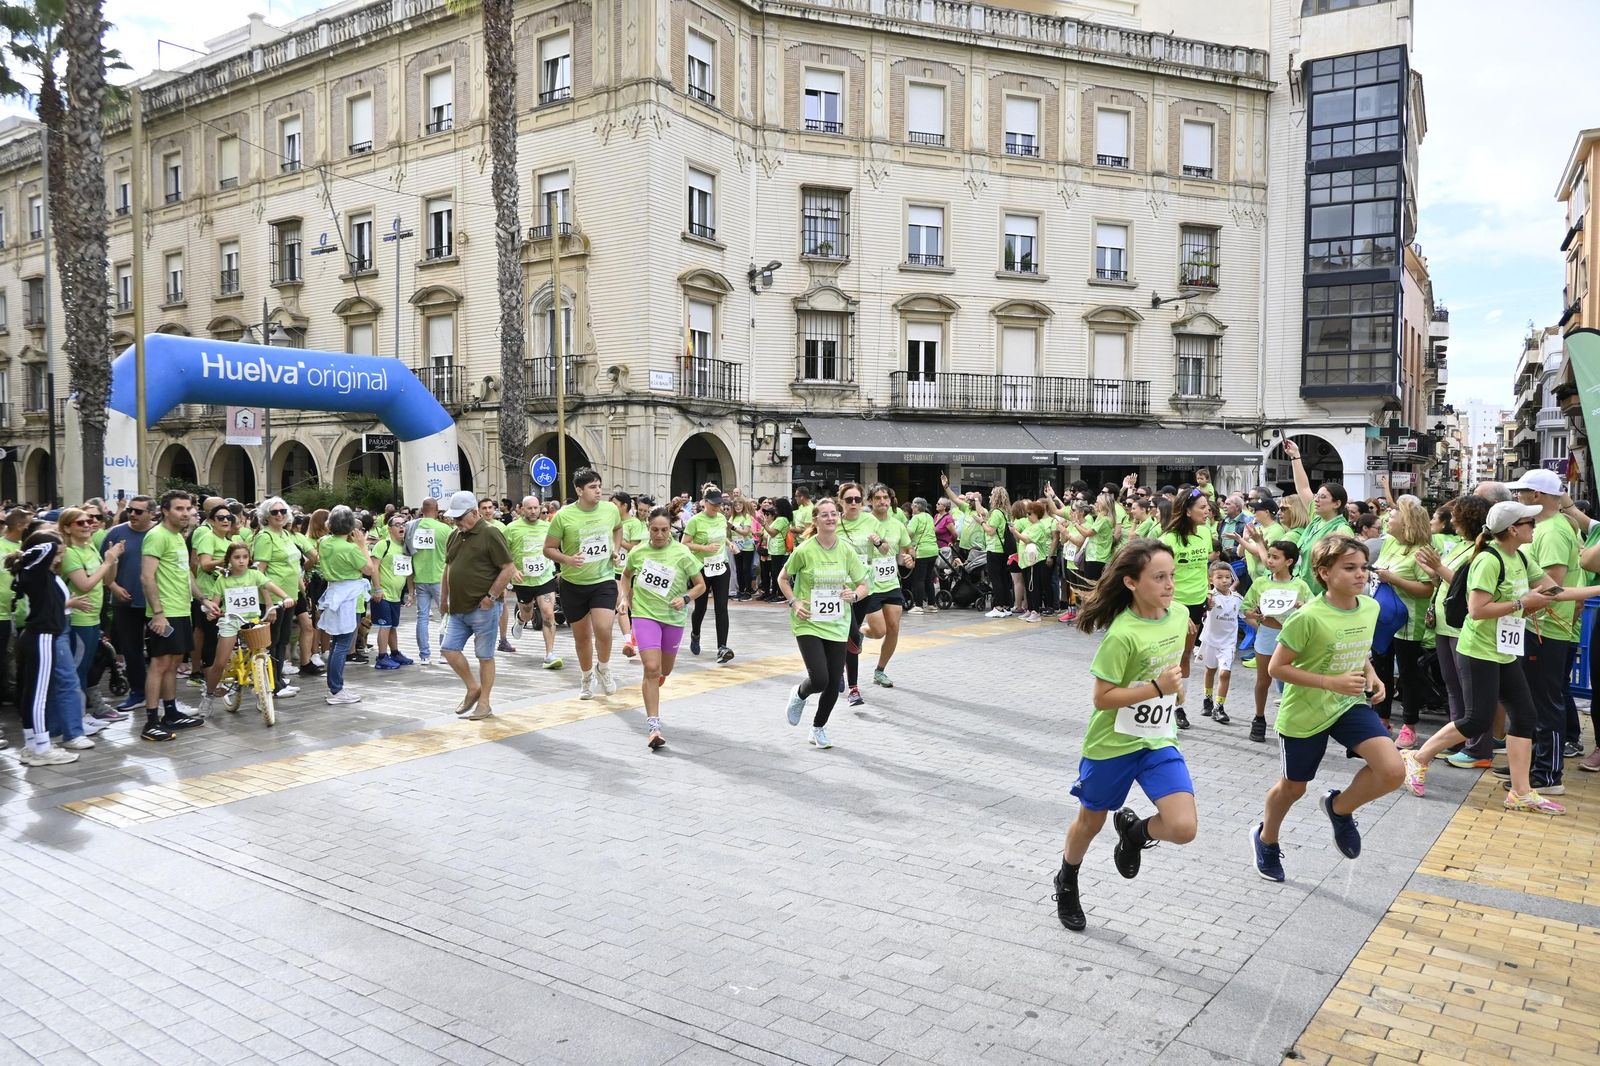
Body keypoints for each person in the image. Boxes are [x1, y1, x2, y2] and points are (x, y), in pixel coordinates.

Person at [1053, 540, 1198, 933]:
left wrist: (1177, 684)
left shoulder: (1179, 613)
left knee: (1184, 827)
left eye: (1172, 576)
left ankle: (1134, 833)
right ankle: (1067, 880)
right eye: (1159, 577)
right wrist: (1157, 687)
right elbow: (1102, 699)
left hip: (1157, 739)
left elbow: (1177, 657)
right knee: (1090, 823)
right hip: (1112, 744)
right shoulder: (1121, 635)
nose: (1170, 585)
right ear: (1132, 583)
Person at [1253, 535, 1404, 882]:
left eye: (1363, 567)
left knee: (1393, 771)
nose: (1360, 574)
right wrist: (1329, 682)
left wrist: (1372, 674)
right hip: (1305, 712)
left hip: (1348, 704)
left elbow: (1358, 648)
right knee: (1293, 788)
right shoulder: (1307, 617)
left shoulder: (1370, 606)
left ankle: (1339, 808)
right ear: (1323, 572)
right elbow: (1277, 668)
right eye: (1349, 568)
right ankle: (1266, 838)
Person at [778, 496, 868, 749]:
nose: (830, 518)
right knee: (819, 679)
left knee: (833, 682)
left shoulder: (846, 550)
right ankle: (799, 694)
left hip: (837, 623)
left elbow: (864, 584)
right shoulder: (805, 549)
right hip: (808, 621)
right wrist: (794, 602)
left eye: (833, 514)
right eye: (825, 514)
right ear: (815, 520)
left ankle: (818, 728)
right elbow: (783, 578)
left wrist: (855, 594)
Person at [1414, 495, 1495, 768]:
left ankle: (1478, 748)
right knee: (1453, 687)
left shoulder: (1483, 549)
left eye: (1457, 517)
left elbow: (1466, 586)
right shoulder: (1460, 545)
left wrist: (1439, 568)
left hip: (1463, 628)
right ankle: (1457, 740)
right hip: (1444, 624)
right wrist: (1434, 571)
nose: (1453, 522)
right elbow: (1448, 580)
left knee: (1470, 691)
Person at [621, 507, 706, 749]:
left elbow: (700, 585)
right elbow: (626, 576)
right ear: (648, 527)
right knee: (650, 667)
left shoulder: (682, 553)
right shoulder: (638, 552)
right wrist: (625, 598)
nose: (659, 535)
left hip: (673, 617)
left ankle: (654, 682)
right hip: (644, 614)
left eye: (664, 530)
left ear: (671, 529)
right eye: (654, 530)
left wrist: (686, 598)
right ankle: (654, 727)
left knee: (664, 671)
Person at [8, 534, 96, 765]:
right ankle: (42, 748)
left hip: (39, 636)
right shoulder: (34, 569)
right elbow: (44, 547)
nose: (61, 554)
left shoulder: (40, 572)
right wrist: (47, 539)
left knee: (31, 693)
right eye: (58, 551)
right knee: (39, 696)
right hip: (42, 637)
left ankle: (32, 745)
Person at [545, 469, 623, 700]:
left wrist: (616, 550)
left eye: (599, 485)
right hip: (573, 583)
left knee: (603, 628)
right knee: (581, 637)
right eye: (592, 487)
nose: (598, 490)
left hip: (603, 579)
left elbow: (618, 528)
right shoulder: (563, 516)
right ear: (579, 490)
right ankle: (587, 676)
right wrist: (568, 559)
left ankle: (604, 668)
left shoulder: (610, 510)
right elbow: (548, 548)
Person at [436, 490, 516, 718]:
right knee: (449, 650)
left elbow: (508, 569)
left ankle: (485, 702)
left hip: (483, 609)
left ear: (474, 513)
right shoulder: (454, 535)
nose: (456, 522)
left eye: (460, 517)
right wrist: (443, 599)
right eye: (454, 518)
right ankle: (473, 688)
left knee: (485, 656)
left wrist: (490, 597)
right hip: (457, 608)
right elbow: (448, 568)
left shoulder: (490, 533)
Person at [140, 490, 207, 742]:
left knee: (174, 663)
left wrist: (202, 600)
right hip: (164, 612)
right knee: (159, 664)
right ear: (165, 510)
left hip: (180, 609)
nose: (185, 513)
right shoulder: (157, 536)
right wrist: (158, 613)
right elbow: (147, 577)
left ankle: (170, 713)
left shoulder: (178, 536)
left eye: (188, 508)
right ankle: (150, 721)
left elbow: (185, 574)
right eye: (179, 509)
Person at [1369, 499, 1436, 745]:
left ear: (1407, 521)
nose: (1388, 519)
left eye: (1393, 515)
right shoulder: (1389, 545)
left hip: (1408, 622)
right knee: (1381, 668)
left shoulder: (1422, 550)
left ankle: (1410, 725)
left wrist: (1394, 579)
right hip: (1384, 618)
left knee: (1408, 674)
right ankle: (1382, 718)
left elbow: (1427, 589)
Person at [201, 544, 294, 714]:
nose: (241, 561)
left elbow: (270, 585)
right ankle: (208, 696)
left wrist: (286, 597)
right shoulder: (223, 579)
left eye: (245, 557)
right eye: (237, 557)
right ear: (229, 559)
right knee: (220, 662)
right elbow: (215, 601)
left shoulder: (254, 574)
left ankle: (263, 693)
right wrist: (212, 611)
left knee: (261, 654)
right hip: (231, 620)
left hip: (252, 619)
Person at [1239, 537, 1309, 743]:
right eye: (1269, 556)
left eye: (1275, 557)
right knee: (1263, 679)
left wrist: (1301, 606)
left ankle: (1287, 722)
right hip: (1267, 634)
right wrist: (1256, 616)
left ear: (1289, 561)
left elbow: (1313, 610)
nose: (1269, 560)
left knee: (1290, 680)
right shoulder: (1260, 582)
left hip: (1291, 637)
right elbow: (1245, 610)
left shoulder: (1301, 585)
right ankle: (1259, 718)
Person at [1159, 487, 1215, 730]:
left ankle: (1179, 707)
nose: (1208, 511)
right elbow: (1161, 578)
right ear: (1187, 510)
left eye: (1208, 507)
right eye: (1202, 507)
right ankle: (1160, 702)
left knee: (1185, 654)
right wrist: (1176, 608)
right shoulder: (1168, 539)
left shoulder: (1204, 533)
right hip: (1172, 604)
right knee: (1167, 655)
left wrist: (1208, 593)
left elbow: (1203, 567)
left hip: (1197, 603)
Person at [315, 506, 378, 705]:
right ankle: (336, 689)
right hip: (350, 595)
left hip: (334, 592)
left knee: (337, 643)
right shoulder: (350, 548)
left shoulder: (324, 542)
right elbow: (368, 569)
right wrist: (362, 546)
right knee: (343, 644)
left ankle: (336, 686)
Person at [1281, 439, 1354, 594]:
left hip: (1322, 593)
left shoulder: (1342, 529)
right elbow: (1303, 487)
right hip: (1303, 588)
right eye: (1317, 496)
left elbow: (1346, 565)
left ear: (1336, 504)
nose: (1316, 500)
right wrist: (1295, 456)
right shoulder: (1316, 518)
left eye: (1322, 497)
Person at [252, 497, 306, 702]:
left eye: (283, 511)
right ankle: (271, 684)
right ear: (266, 516)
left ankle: (278, 678)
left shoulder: (285, 534)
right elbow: (259, 572)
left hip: (290, 596)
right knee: (272, 641)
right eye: (274, 512)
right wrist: (268, 603)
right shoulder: (265, 537)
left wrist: (301, 589)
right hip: (274, 597)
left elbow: (294, 564)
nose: (280, 515)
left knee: (282, 640)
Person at [101, 498, 153, 713]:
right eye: (130, 510)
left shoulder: (158, 534)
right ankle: (138, 693)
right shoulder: (115, 533)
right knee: (132, 650)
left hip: (155, 602)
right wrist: (113, 587)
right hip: (125, 602)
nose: (132, 514)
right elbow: (102, 565)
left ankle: (162, 695)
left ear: (152, 513)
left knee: (161, 653)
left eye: (138, 511)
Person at [504, 496, 563, 669]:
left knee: (548, 613)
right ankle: (521, 620)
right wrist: (513, 570)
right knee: (528, 614)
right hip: (523, 581)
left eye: (536, 508)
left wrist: (559, 569)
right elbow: (502, 553)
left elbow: (556, 548)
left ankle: (550, 654)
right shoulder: (511, 529)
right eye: (529, 508)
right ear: (521, 509)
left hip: (544, 577)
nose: (533, 511)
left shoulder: (548, 527)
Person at [683, 488, 735, 663]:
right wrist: (704, 548)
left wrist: (730, 544)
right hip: (702, 568)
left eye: (719, 504)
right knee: (701, 607)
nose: (717, 507)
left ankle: (722, 647)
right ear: (704, 502)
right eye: (713, 504)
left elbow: (721, 537)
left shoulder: (721, 518)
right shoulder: (695, 521)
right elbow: (685, 543)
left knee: (722, 607)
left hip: (721, 566)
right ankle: (695, 634)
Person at [406, 496, 453, 666]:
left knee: (422, 617)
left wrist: (410, 590)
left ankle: (424, 655)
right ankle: (444, 653)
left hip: (419, 578)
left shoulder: (411, 527)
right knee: (446, 616)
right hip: (440, 578)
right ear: (437, 508)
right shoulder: (445, 529)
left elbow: (408, 554)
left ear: (422, 509)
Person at [1199, 561, 1241, 725]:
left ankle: (1219, 707)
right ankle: (1207, 700)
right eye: (1219, 577)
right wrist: (1206, 605)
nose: (1224, 580)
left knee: (1225, 673)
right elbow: (1203, 609)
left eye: (1227, 577)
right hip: (1210, 640)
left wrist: (1260, 622)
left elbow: (1246, 614)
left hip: (1228, 643)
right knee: (1210, 670)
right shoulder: (1210, 597)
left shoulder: (1237, 598)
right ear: (1211, 579)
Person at [370, 515, 415, 669]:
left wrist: (410, 591)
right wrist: (377, 589)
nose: (401, 527)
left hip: (396, 595)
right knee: (385, 625)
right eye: (397, 524)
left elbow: (409, 571)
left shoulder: (406, 547)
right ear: (390, 529)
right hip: (383, 594)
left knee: (393, 626)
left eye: (403, 524)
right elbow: (373, 567)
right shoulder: (383, 545)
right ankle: (381, 657)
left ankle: (395, 653)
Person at [905, 498, 938, 614]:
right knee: (928, 578)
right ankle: (931, 604)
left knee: (919, 579)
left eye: (913, 505)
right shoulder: (929, 517)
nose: (911, 508)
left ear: (917, 507)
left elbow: (908, 533)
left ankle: (918, 605)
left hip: (921, 552)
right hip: (933, 550)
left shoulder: (916, 518)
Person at [759, 498, 792, 601]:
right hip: (774, 548)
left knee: (777, 572)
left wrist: (764, 524)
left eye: (775, 505)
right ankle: (774, 593)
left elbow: (773, 533)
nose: (774, 507)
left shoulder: (782, 519)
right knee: (774, 572)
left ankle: (780, 594)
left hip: (778, 548)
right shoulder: (780, 519)